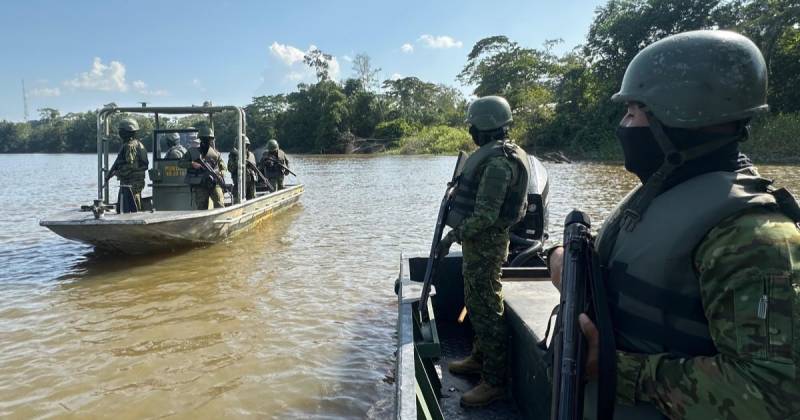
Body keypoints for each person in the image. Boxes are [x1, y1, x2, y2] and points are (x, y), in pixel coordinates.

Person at [547, 30, 800, 419]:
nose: (624, 125)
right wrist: (567, 263)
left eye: (633, 111)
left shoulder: (754, 237)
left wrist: (616, 369)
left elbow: (772, 394)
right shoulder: (663, 190)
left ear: (677, 119)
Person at [436, 96, 531, 407]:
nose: (472, 131)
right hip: (478, 244)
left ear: (486, 126)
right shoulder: (493, 157)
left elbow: (486, 216)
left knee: (488, 311)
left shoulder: (498, 164)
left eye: (474, 126)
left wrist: (453, 236)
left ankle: (495, 381)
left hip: (487, 245)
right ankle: (479, 357)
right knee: (476, 303)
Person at [178, 127, 226, 209]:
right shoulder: (192, 152)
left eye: (208, 139)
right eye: (204, 139)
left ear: (211, 140)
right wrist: (192, 164)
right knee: (201, 207)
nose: (206, 141)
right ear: (200, 139)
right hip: (200, 184)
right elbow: (180, 163)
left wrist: (219, 173)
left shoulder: (216, 154)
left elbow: (224, 168)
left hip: (214, 183)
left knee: (220, 205)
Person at [106, 118, 149, 210]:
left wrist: (117, 173)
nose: (120, 133)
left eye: (121, 131)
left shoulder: (130, 146)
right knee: (129, 204)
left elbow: (131, 165)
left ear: (126, 132)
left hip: (132, 182)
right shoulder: (137, 144)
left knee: (131, 206)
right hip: (134, 182)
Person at [228, 136, 258, 200]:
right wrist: (238, 161)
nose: (245, 147)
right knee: (238, 201)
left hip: (251, 184)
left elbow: (255, 169)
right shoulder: (233, 155)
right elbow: (230, 168)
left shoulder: (251, 155)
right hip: (239, 184)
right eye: (243, 145)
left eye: (246, 145)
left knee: (252, 201)